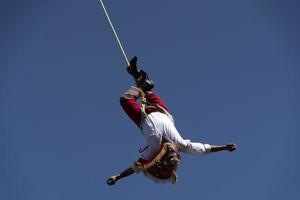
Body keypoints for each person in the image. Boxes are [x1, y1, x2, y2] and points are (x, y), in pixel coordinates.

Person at [106, 57, 237, 185]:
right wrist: (224, 147)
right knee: (147, 89)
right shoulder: (181, 145)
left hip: (142, 117)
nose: (171, 151)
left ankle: (137, 79)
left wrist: (117, 177)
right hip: (162, 111)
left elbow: (136, 168)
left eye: (168, 155)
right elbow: (204, 149)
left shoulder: (153, 150)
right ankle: (137, 76)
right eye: (173, 154)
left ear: (160, 157)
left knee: (125, 100)